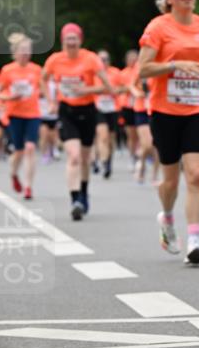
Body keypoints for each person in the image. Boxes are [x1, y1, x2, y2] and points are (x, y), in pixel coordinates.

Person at [138, 0, 199, 265]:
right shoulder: (158, 27)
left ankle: (194, 241)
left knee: (197, 175)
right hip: (165, 111)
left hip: (198, 108)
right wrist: (174, 66)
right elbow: (143, 69)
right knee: (170, 183)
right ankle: (166, 215)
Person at [42, 23, 114, 220]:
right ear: (62, 41)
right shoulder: (55, 60)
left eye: (74, 39)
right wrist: (50, 101)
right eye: (68, 39)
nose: (71, 42)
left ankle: (83, 191)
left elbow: (107, 87)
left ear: (80, 41)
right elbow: (43, 79)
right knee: (73, 156)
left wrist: (86, 90)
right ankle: (75, 200)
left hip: (88, 110)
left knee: (85, 158)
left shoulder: (91, 59)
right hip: (67, 111)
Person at [0, 33, 45, 200]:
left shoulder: (37, 70)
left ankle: (29, 187)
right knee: (19, 151)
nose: (25, 53)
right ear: (15, 52)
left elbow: (45, 91)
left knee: (30, 148)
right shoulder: (7, 70)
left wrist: (52, 103)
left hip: (33, 114)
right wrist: (9, 98)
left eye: (28, 50)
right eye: (22, 50)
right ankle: (14, 174)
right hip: (14, 114)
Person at [94, 50, 122, 179]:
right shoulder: (93, 73)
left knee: (111, 139)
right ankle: (104, 161)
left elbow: (124, 87)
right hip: (98, 107)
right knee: (102, 136)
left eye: (105, 59)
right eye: (100, 59)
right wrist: (99, 91)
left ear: (108, 61)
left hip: (113, 108)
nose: (103, 62)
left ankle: (108, 162)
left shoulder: (115, 72)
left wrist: (115, 91)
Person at [119, 49, 140, 170]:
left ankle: (140, 153)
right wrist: (130, 89)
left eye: (135, 58)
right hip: (127, 106)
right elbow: (118, 89)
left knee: (141, 133)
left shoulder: (140, 71)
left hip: (140, 106)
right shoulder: (123, 73)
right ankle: (132, 156)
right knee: (131, 135)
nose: (133, 61)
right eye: (130, 58)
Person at [38, 77, 60, 163]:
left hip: (53, 115)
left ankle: (53, 148)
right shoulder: (38, 84)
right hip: (41, 114)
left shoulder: (54, 85)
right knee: (43, 135)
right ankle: (44, 154)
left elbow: (59, 97)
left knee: (52, 136)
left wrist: (57, 107)